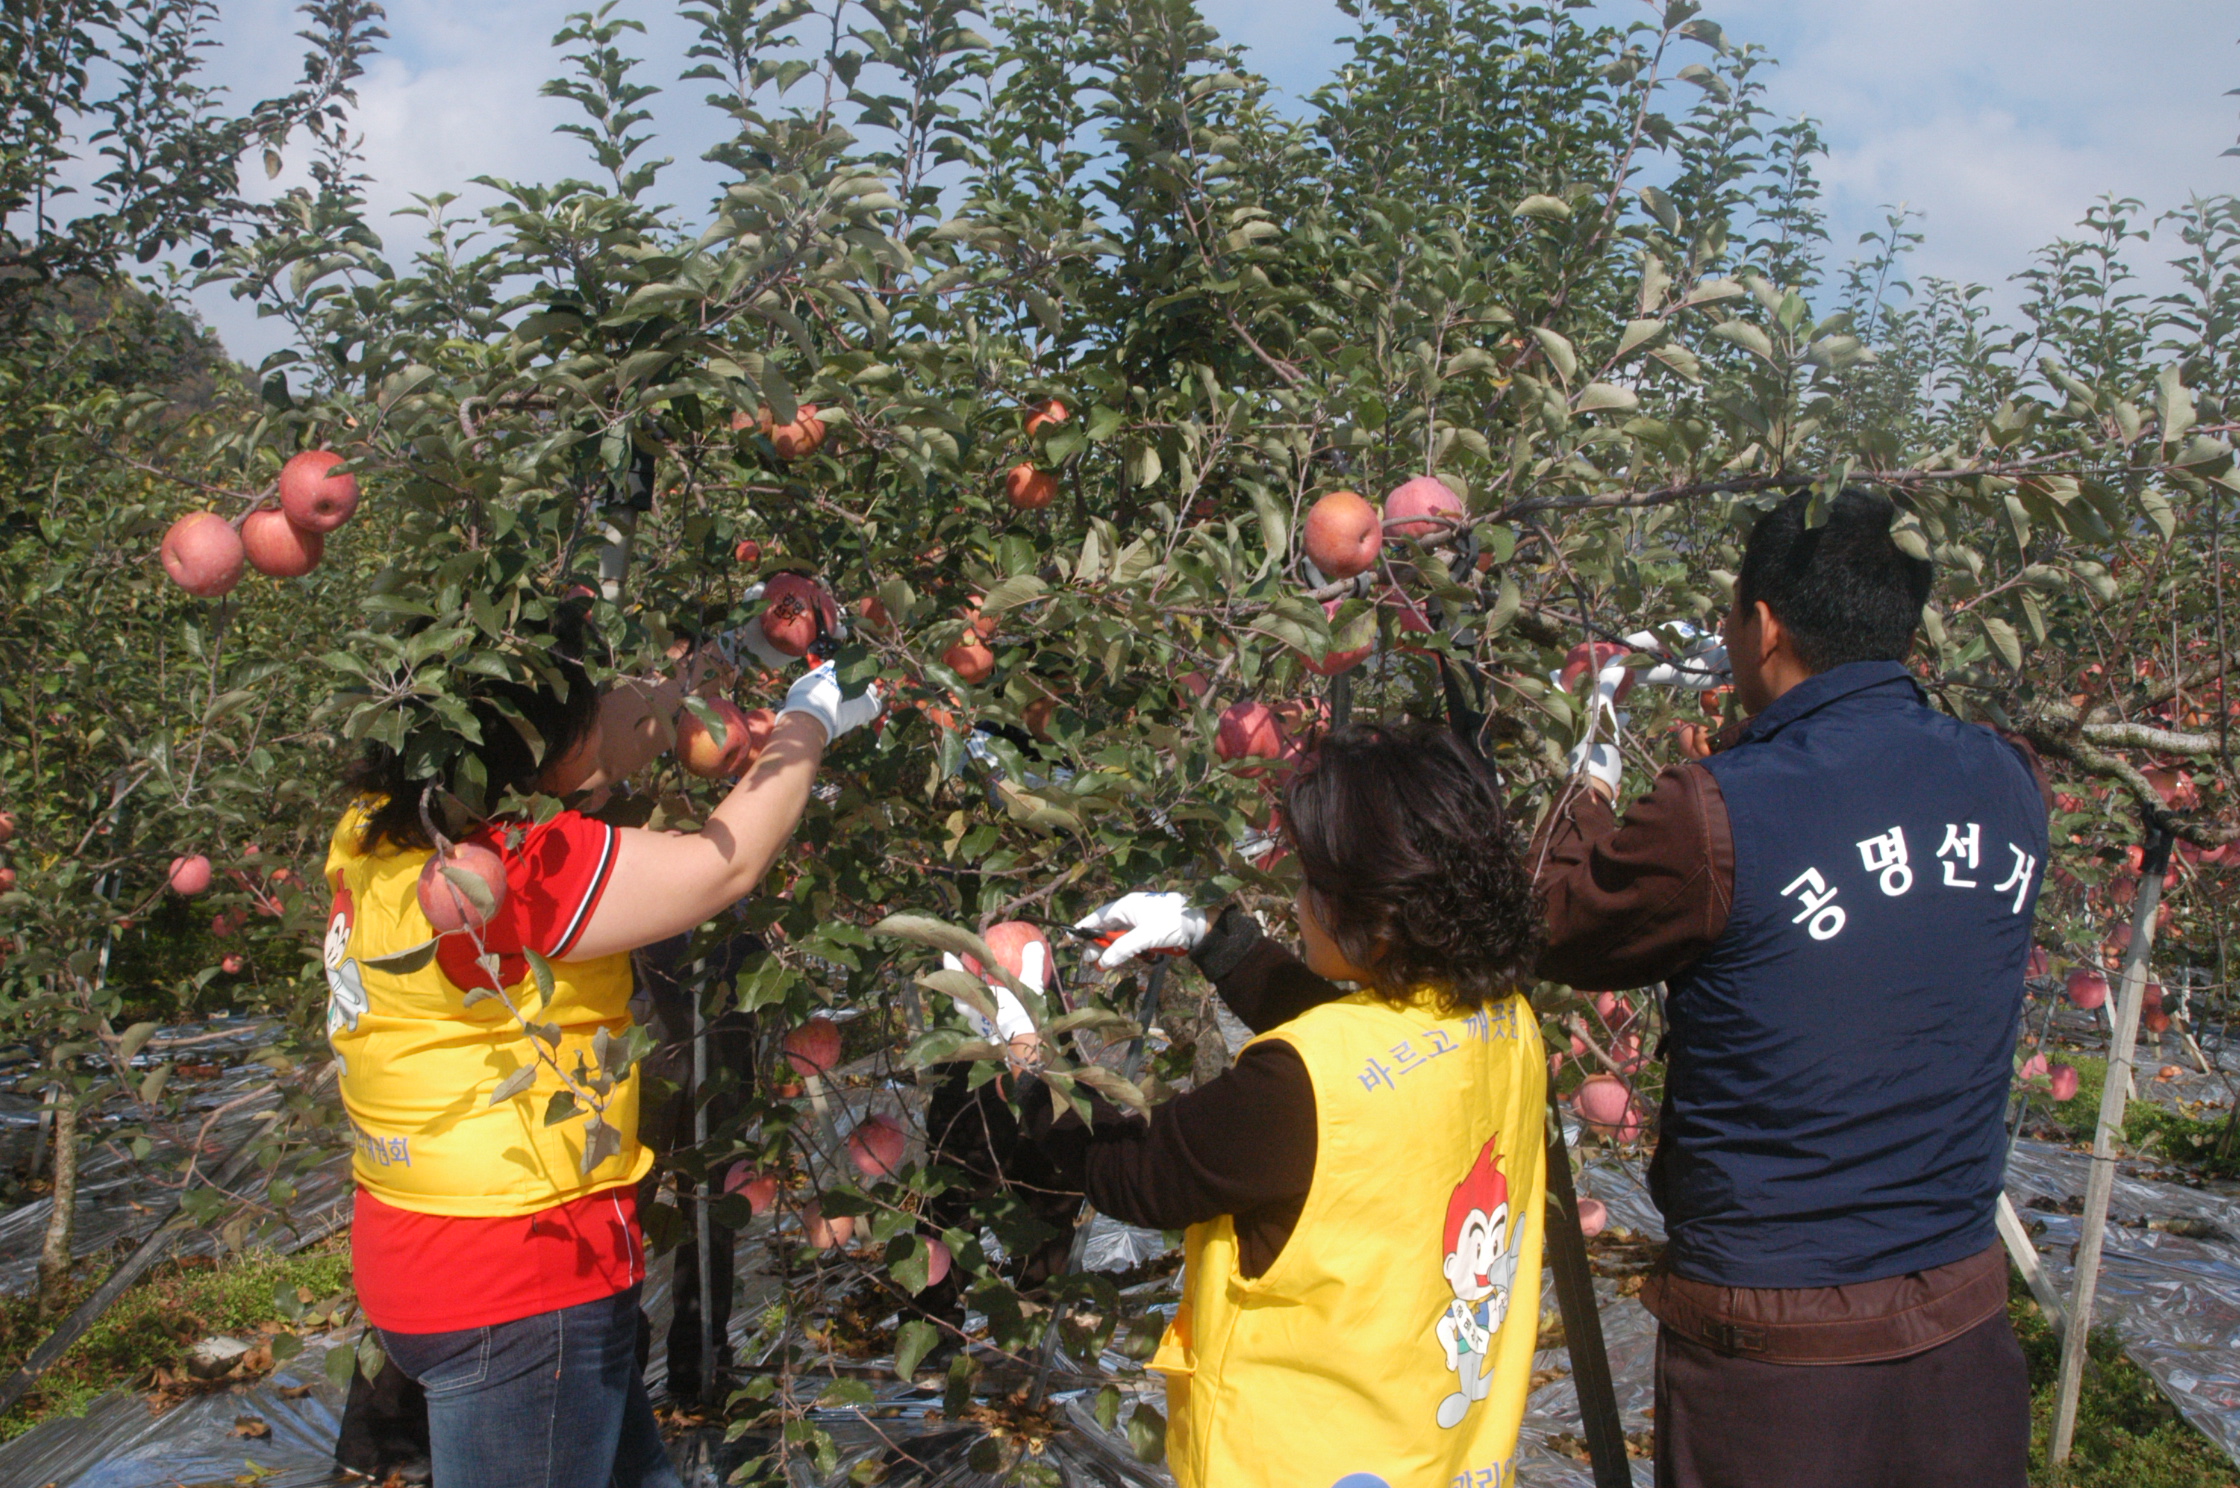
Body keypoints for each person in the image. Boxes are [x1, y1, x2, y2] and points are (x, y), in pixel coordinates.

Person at [1535, 488, 2051, 1488]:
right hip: (1959, 1333)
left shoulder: (1716, 815)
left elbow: (1553, 923)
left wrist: (1591, 759)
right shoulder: (2008, 779)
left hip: (1775, 1371)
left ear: (1761, 625)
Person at [322, 599, 879, 1488]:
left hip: (421, 1259)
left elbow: (604, 742)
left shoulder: (386, 835)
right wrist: (811, 718)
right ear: (542, 755)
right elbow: (722, 865)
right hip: (518, 1282)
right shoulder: (525, 874)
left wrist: (718, 665)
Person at [1044, 722, 1547, 1488]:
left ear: (1376, 917)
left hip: (1290, 1461)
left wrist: (1027, 1050)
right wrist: (1215, 939)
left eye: (1312, 881)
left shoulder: (1297, 1088)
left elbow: (1131, 1173)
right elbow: (1371, 1048)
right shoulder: (1506, 1021)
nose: (1302, 899)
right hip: (1440, 1456)